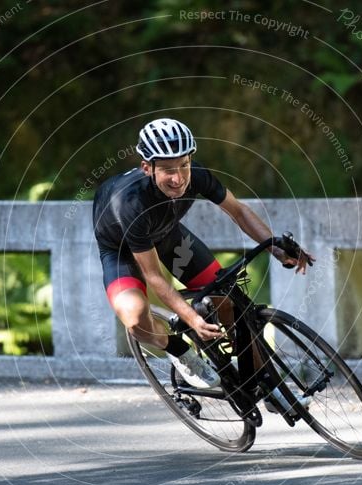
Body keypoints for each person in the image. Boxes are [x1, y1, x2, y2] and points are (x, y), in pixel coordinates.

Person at [92, 118, 314, 403]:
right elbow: (155, 277)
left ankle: (266, 385)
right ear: (148, 168)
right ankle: (178, 349)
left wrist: (277, 249)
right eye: (168, 170)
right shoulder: (130, 203)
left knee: (229, 302)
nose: (178, 178)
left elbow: (239, 211)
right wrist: (192, 318)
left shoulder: (196, 175)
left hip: (167, 234)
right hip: (120, 248)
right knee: (136, 320)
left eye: (183, 165)